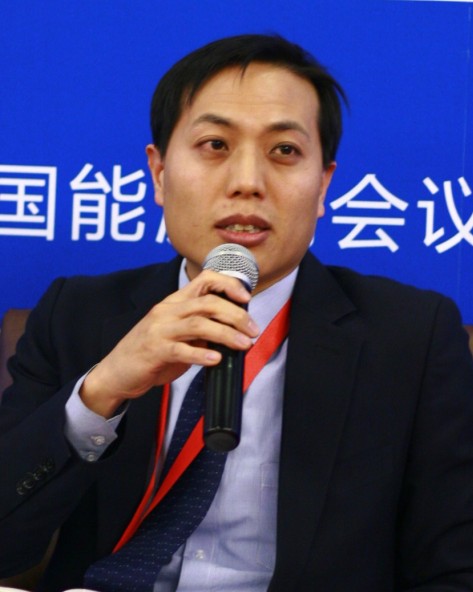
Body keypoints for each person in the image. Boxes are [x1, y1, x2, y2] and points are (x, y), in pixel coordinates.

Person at [1, 33, 473, 592]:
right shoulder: (76, 314)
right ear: (158, 173)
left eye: (284, 151)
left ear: (323, 184)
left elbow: (453, 570)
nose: (247, 182)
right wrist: (100, 393)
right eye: (215, 145)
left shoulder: (411, 338)